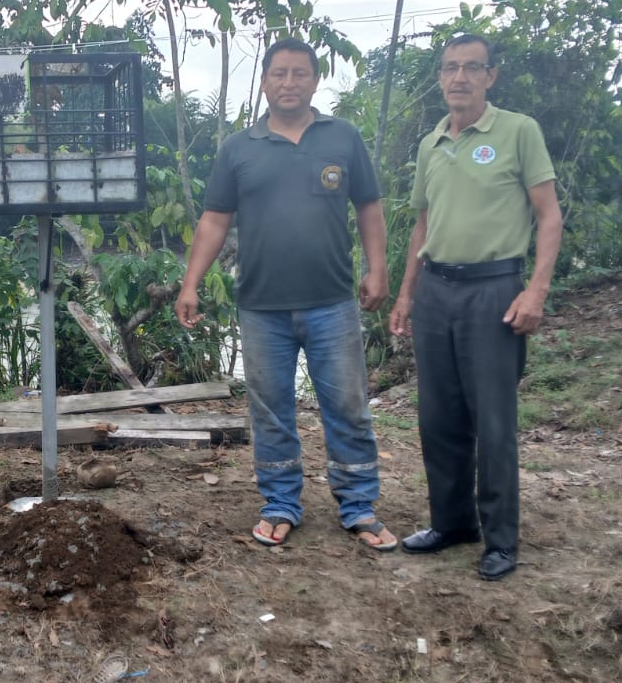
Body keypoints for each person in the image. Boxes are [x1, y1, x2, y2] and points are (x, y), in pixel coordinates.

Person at [176, 37, 394, 552]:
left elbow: (369, 207)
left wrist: (378, 268)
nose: (289, 82)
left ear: (316, 81)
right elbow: (214, 220)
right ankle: (280, 504)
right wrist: (190, 283)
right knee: (271, 410)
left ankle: (359, 505)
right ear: (264, 82)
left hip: (332, 302)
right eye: (279, 73)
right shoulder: (239, 148)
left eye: (300, 73)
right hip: (261, 307)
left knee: (348, 406)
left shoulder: (343, 137)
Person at [388, 34, 563, 581]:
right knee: (438, 415)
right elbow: (423, 223)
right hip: (436, 290)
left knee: (493, 419)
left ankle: (501, 538)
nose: (459, 78)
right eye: (449, 68)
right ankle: (452, 522)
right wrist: (407, 293)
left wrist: (535, 291)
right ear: (440, 77)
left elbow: (549, 216)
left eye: (471, 68)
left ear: (491, 76)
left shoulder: (517, 131)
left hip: (493, 290)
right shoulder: (431, 143)